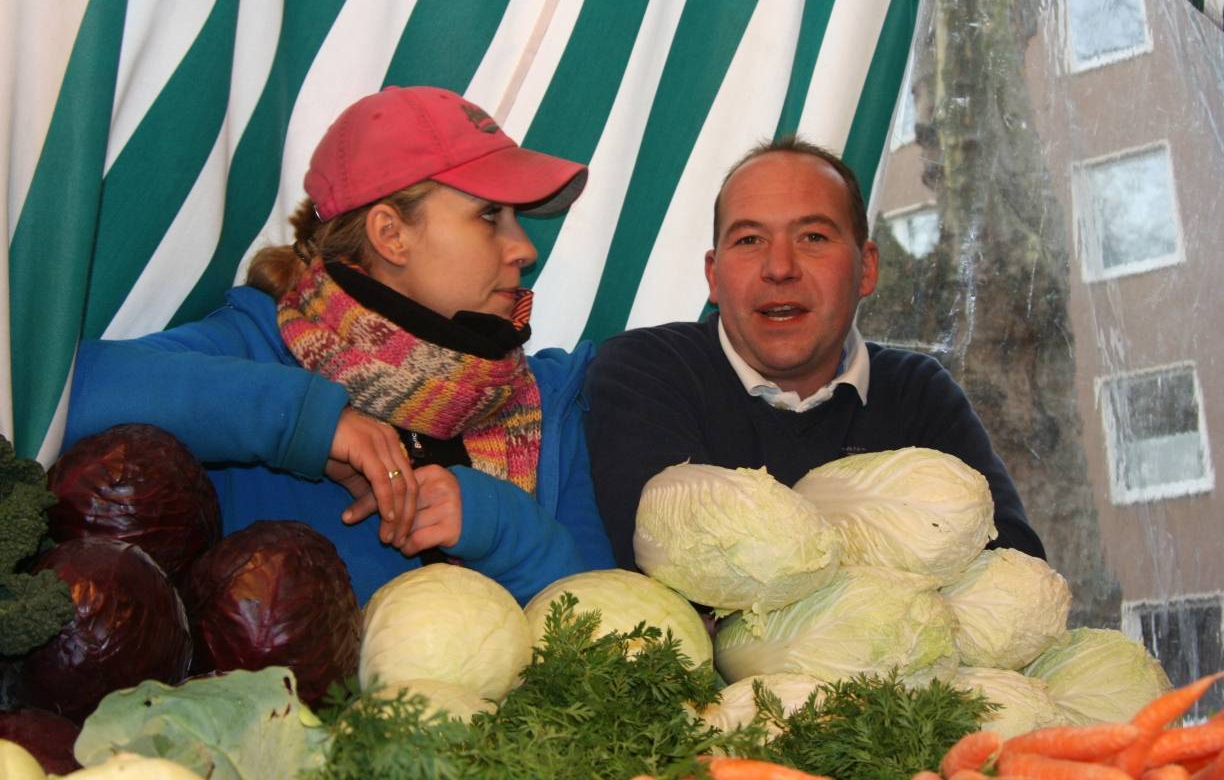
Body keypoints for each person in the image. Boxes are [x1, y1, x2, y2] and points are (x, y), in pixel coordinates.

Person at [63, 85, 615, 605]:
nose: (524, 249)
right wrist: (305, 422)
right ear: (390, 234)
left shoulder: (543, 401)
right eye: (490, 215)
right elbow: (60, 395)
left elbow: (610, 630)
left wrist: (499, 526)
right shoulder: (257, 345)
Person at [584, 135, 1046, 570]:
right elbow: (666, 558)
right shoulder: (648, 373)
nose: (780, 268)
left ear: (866, 268)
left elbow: (1011, 563)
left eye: (813, 238)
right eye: (749, 240)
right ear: (713, 275)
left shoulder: (918, 394)